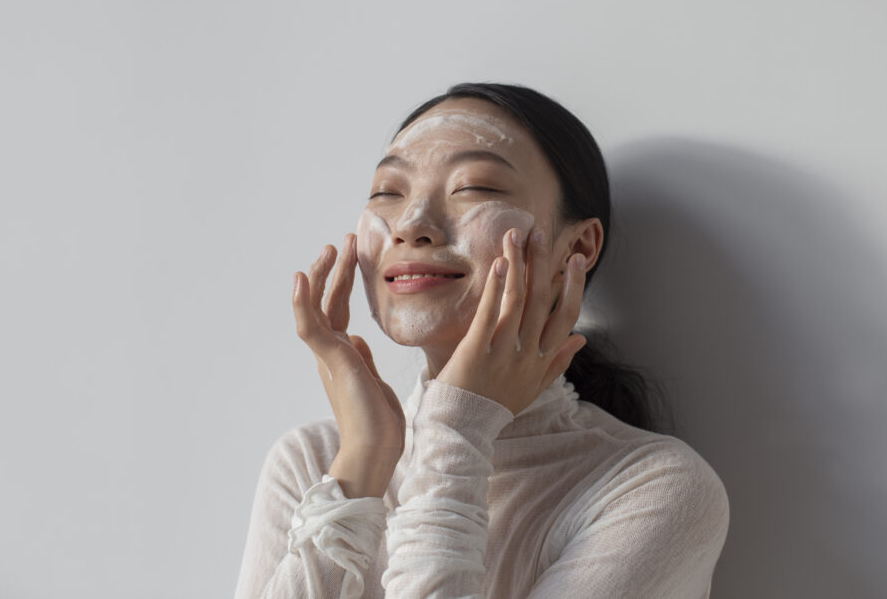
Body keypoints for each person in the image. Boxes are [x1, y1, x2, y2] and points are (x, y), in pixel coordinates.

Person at [234, 83, 730, 598]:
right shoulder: (317, 462)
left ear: (576, 248)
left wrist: (457, 430)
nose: (411, 225)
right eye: (388, 191)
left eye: (475, 188)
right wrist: (364, 460)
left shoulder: (656, 489)